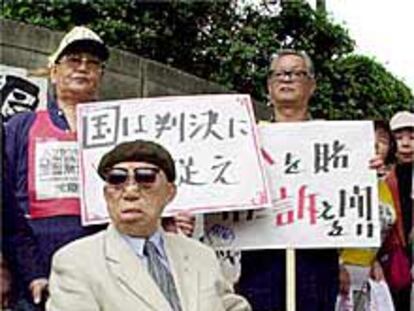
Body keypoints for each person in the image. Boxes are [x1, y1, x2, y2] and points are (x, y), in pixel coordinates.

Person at [4, 25, 195, 308]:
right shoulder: (22, 125)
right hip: (34, 261)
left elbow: (139, 190)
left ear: (100, 77)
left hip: (107, 261)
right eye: (73, 60)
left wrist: (167, 219)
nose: (83, 68)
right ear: (54, 72)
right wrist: (17, 267)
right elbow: (5, 206)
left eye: (92, 63)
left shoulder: (122, 131)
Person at [236, 49, 383, 311]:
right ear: (269, 87)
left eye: (297, 73)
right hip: (261, 259)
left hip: (317, 262)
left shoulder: (336, 143)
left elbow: (348, 204)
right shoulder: (248, 138)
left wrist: (367, 168)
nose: (287, 79)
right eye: (279, 73)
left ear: (312, 85)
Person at [46, 139, 251, 311]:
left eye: (145, 178)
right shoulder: (76, 262)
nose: (130, 191)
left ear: (170, 192)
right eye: (117, 179)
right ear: (106, 194)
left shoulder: (201, 255)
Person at [378, 110, 414, 311]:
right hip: (393, 258)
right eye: (399, 138)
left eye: (412, 137)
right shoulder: (382, 178)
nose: (406, 144)